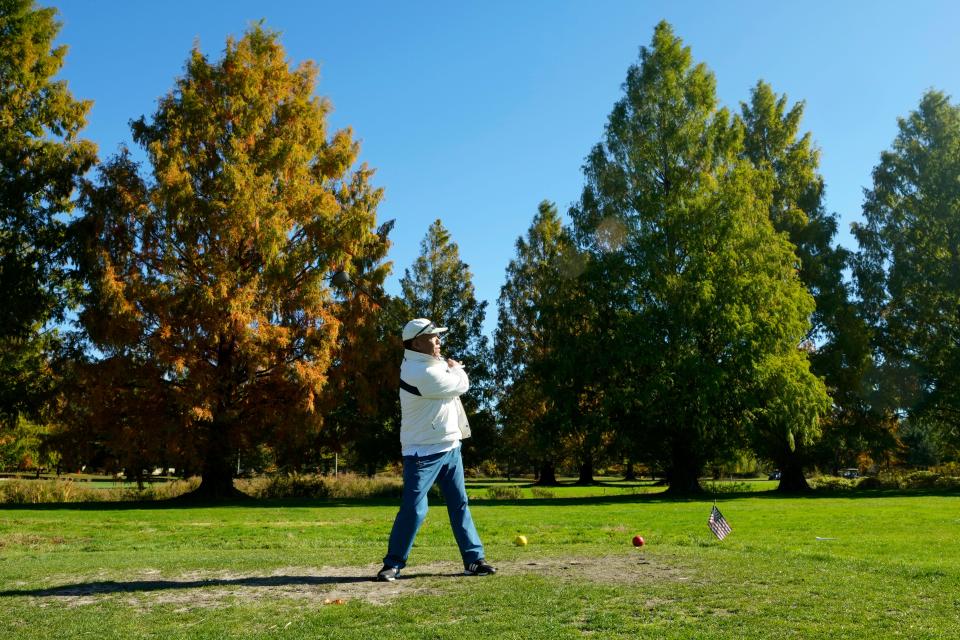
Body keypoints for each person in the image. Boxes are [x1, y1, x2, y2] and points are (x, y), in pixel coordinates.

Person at [376, 318, 496, 581]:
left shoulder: (428, 363)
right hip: (422, 453)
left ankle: (473, 560)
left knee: (459, 504)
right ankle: (393, 564)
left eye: (438, 336)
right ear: (416, 343)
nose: (439, 340)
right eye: (433, 337)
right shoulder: (421, 373)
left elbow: (443, 368)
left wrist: (447, 365)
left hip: (451, 446)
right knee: (415, 509)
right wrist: (456, 369)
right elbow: (462, 385)